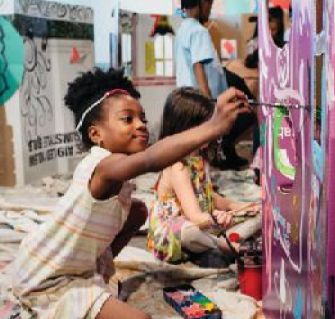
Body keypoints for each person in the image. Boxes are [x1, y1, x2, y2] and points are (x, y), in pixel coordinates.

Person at [11, 68, 249, 319]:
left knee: (137, 211)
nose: (141, 126)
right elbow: (150, 160)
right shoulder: (102, 166)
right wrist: (213, 127)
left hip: (77, 268)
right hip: (46, 277)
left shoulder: (118, 173)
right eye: (128, 119)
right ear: (96, 134)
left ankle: (96, 274)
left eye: (143, 119)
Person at [147, 87, 261, 265]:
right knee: (189, 231)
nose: (212, 130)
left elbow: (209, 196)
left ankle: (219, 247)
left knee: (260, 215)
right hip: (176, 236)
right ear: (187, 128)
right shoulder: (178, 165)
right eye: (207, 125)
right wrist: (216, 218)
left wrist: (242, 207)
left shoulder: (199, 158)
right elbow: (195, 217)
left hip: (206, 228)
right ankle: (224, 246)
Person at [175, 0, 227, 98]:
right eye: (210, 4)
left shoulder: (181, 31)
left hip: (185, 98)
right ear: (201, 3)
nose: (210, 10)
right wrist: (208, 101)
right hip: (200, 101)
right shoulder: (198, 31)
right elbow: (197, 65)